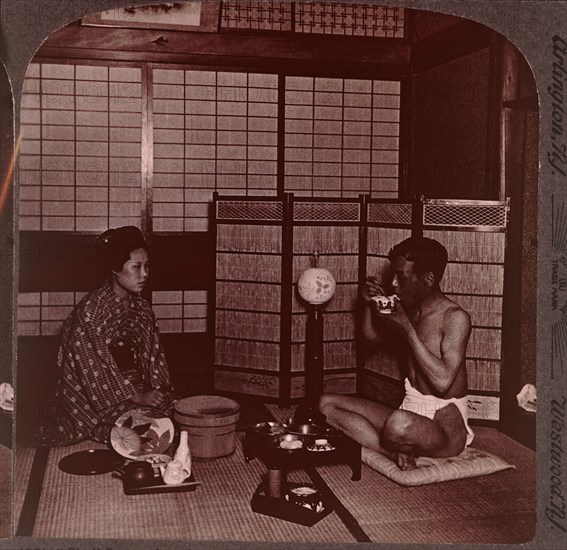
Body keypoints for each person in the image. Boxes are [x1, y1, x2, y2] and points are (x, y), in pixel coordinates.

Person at [319, 237, 474, 470]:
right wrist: (369, 305)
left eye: (401, 276)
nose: (392, 283)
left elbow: (442, 382)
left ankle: (396, 445)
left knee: (397, 425)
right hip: (408, 409)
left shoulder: (455, 317)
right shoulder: (409, 309)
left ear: (428, 279)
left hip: (444, 426)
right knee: (325, 404)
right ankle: (392, 454)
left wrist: (407, 329)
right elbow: (370, 339)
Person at [34, 226, 175, 446]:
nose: (144, 274)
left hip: (130, 384)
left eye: (147, 266)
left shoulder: (142, 308)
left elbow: (153, 356)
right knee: (140, 429)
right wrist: (135, 396)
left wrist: (155, 389)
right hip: (90, 390)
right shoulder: (91, 310)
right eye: (136, 267)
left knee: (172, 411)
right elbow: (92, 367)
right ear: (114, 269)